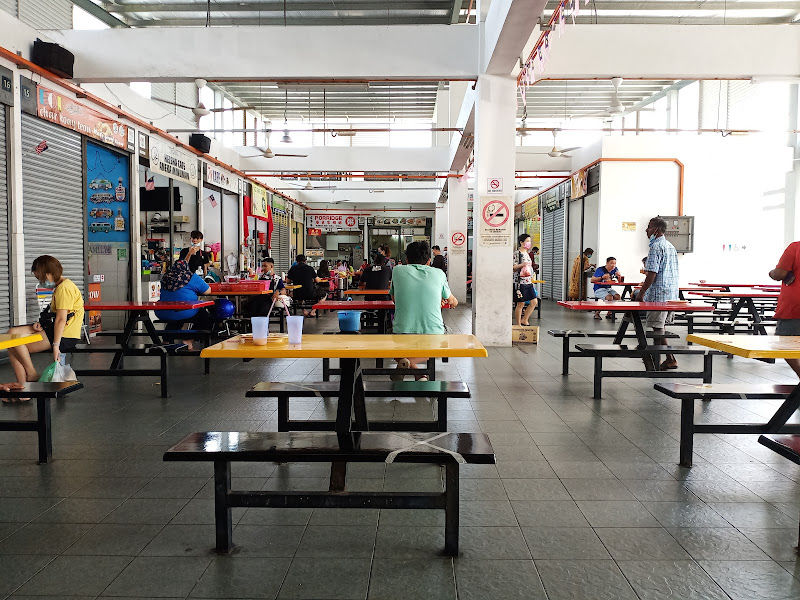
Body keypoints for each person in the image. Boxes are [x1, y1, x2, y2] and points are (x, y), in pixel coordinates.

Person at [4, 255, 85, 399]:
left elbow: (61, 319)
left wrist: (56, 346)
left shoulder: (64, 289)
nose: (41, 282)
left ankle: (30, 378)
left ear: (48, 274)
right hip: (53, 329)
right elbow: (55, 316)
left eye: (40, 278)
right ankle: (24, 386)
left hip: (64, 335)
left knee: (14, 343)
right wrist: (41, 323)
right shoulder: (61, 286)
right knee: (10, 335)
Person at [390, 241, 458, 381]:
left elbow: (395, 299)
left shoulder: (397, 271)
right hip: (432, 333)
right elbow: (452, 301)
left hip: (402, 332)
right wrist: (442, 299)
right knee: (447, 334)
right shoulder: (439, 273)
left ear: (406, 259)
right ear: (428, 261)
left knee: (396, 350)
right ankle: (417, 371)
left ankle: (409, 366)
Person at [637, 217, 680, 370]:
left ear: (656, 229)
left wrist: (641, 293)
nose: (646, 230)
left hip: (659, 295)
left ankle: (656, 360)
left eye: (648, 227)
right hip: (670, 295)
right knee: (659, 327)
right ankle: (669, 358)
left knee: (657, 328)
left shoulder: (656, 247)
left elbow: (651, 274)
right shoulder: (670, 246)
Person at [154, 247, 212, 345]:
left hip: (162, 311)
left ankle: (167, 339)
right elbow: (208, 291)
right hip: (185, 312)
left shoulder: (165, 277)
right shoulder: (191, 276)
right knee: (204, 317)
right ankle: (190, 339)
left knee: (175, 315)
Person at [770, 241, 800, 377]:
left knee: (785, 344)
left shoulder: (796, 247)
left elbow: (779, 273)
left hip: (794, 308)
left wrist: (771, 273)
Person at [513, 234, 538, 326]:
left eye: (529, 241)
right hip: (520, 283)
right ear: (521, 242)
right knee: (521, 303)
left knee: (534, 302)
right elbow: (513, 267)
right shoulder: (517, 253)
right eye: (527, 241)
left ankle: (525, 319)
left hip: (528, 282)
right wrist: (522, 265)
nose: (529, 243)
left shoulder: (527, 253)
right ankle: (519, 324)